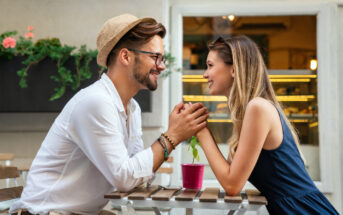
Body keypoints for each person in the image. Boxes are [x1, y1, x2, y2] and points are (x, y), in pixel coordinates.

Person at [10, 14, 208, 215]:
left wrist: (171, 136)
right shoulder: (96, 102)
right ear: (125, 56)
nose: (162, 66)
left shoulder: (132, 108)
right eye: (155, 57)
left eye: (162, 58)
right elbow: (125, 178)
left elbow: (137, 177)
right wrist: (172, 136)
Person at [189, 35, 338, 215]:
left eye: (210, 65)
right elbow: (228, 174)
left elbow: (232, 184)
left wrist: (201, 131)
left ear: (234, 70)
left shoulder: (258, 108)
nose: (205, 74)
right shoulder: (250, 113)